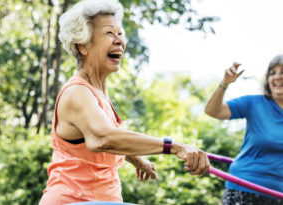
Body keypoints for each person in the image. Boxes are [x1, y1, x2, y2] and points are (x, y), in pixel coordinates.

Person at [39, 0, 210, 204]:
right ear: (83, 45)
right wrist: (173, 146)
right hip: (74, 200)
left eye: (120, 34)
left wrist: (137, 160)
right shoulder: (77, 92)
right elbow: (103, 138)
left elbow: (110, 139)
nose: (119, 40)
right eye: (109, 33)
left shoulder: (98, 94)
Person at [205, 56, 283, 205]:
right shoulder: (253, 103)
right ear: (267, 79)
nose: (277, 77)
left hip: (278, 194)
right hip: (244, 188)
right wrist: (224, 84)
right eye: (272, 73)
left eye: (282, 72)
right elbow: (213, 111)